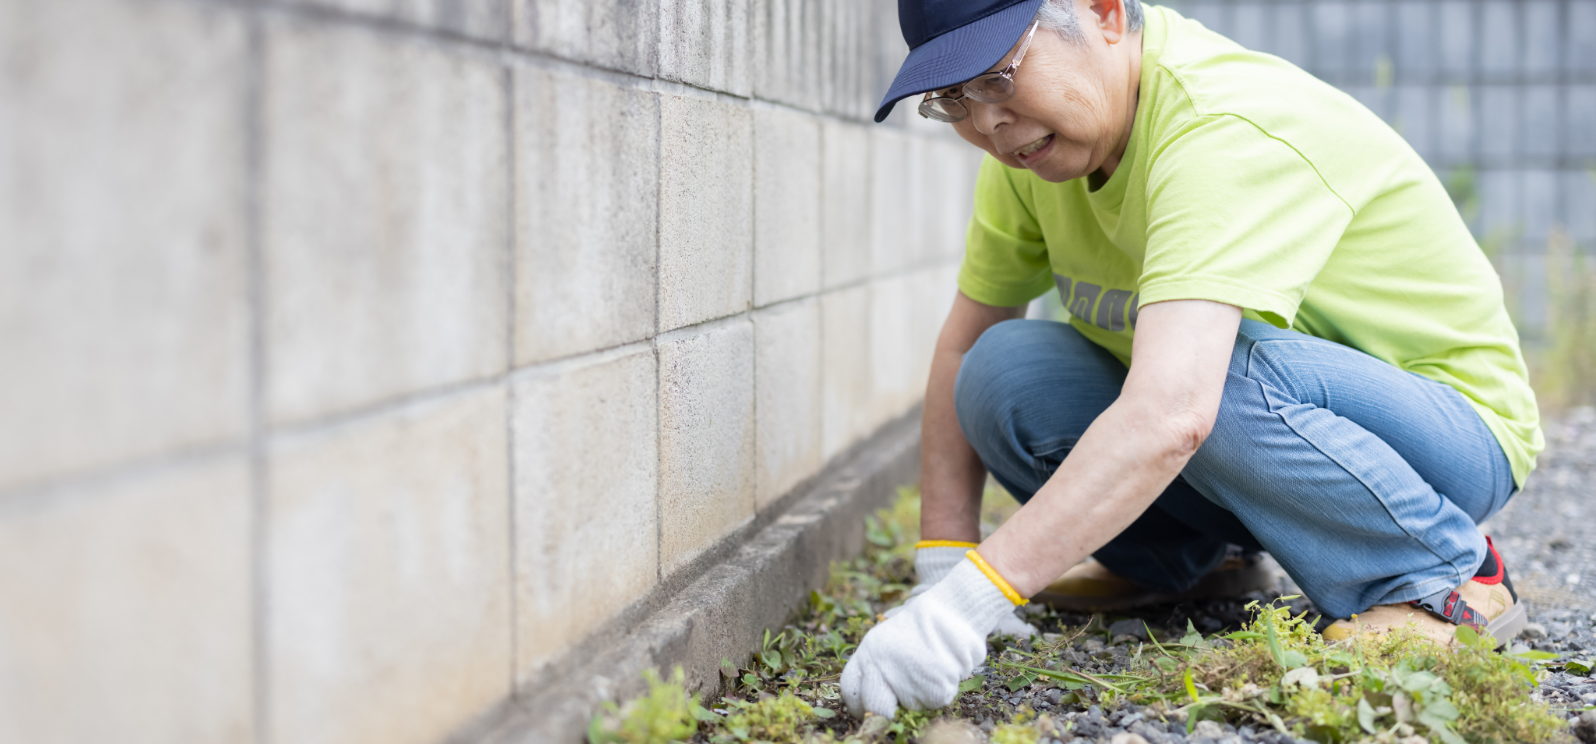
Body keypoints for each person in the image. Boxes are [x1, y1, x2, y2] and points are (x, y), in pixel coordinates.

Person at [840, 0, 1543, 719]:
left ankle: (1442, 575)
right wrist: (942, 564)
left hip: (1446, 435)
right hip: (1269, 434)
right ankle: (1202, 566)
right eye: (952, 97)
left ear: (1105, 14)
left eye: (997, 76)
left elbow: (1174, 412)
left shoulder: (1218, 126)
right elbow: (962, 343)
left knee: (1204, 375)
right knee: (1000, 373)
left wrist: (966, 605)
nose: (984, 122)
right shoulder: (1032, 152)